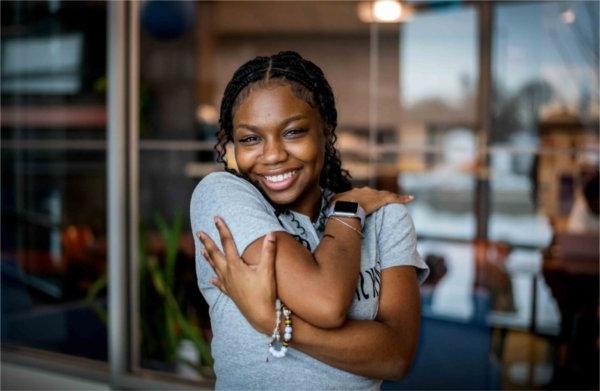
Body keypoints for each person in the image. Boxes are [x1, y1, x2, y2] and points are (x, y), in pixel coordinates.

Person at [190, 51, 429, 390]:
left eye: (293, 132)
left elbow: (396, 357)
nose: (272, 155)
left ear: (325, 130)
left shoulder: (385, 218)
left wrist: (271, 321)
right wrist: (346, 216)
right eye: (250, 138)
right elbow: (326, 303)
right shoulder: (222, 196)